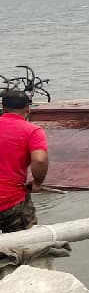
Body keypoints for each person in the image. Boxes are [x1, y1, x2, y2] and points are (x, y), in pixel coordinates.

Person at [0, 90, 48, 233]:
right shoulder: (32, 131)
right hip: (11, 201)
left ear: (3, 107)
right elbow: (39, 160)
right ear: (28, 109)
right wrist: (37, 183)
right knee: (28, 246)